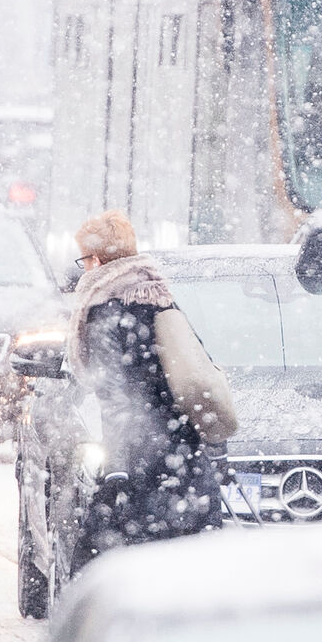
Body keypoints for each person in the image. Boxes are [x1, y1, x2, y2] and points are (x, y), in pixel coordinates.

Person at [64, 211, 238, 567]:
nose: (84, 269)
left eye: (84, 259)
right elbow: (197, 374)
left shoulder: (103, 312)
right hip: (185, 456)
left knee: (102, 569)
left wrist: (116, 472)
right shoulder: (162, 299)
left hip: (141, 462)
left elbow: (115, 399)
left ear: (96, 260)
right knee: (192, 567)